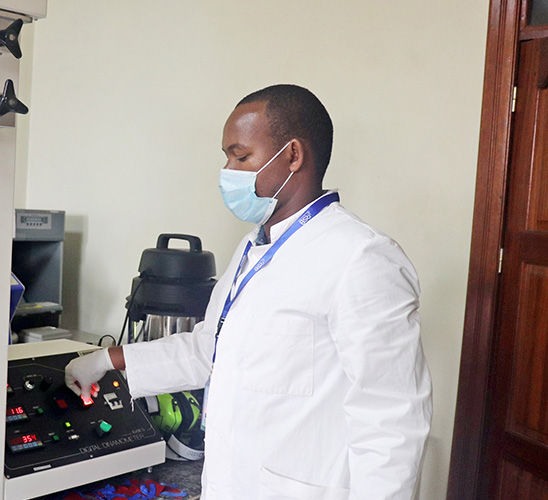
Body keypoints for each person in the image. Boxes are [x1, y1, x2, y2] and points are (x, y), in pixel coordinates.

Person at [65, 84, 432, 500]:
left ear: (293, 155)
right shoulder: (253, 247)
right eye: (227, 158)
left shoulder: (360, 257)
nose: (228, 171)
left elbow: (392, 418)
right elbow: (210, 350)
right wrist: (106, 360)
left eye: (240, 157)